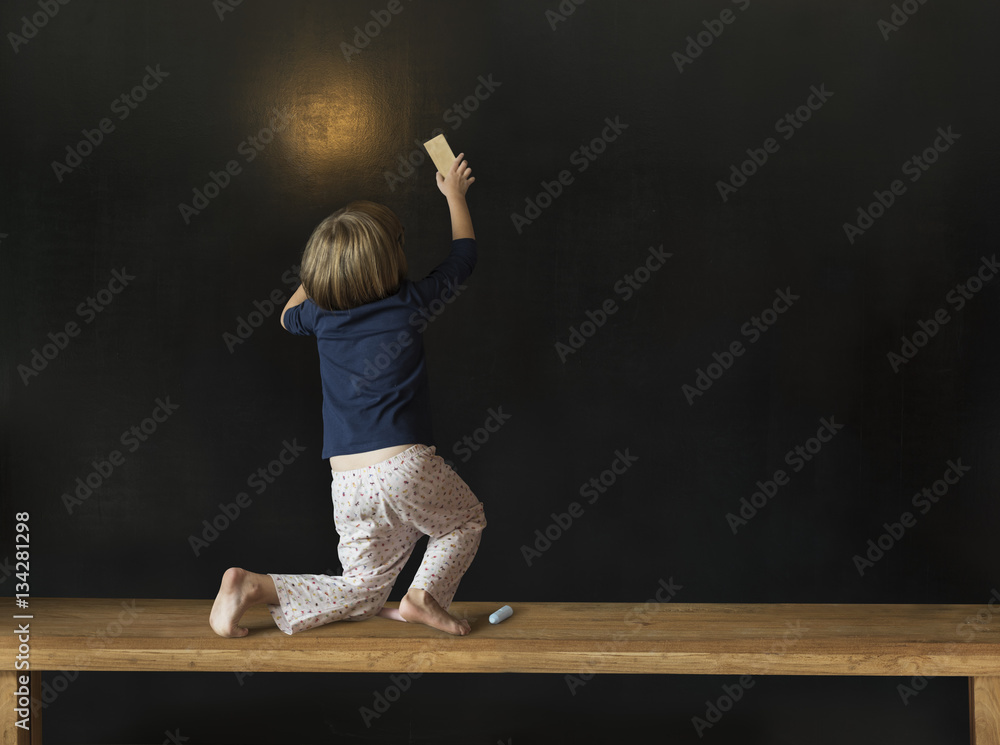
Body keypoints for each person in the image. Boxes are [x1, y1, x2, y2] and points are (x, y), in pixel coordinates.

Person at [210, 154, 486, 638]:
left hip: (347, 479)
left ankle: (251, 586)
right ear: (391, 259)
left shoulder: (317, 315)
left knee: (362, 590)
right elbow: (463, 258)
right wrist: (454, 197)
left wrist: (321, 275)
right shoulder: (409, 303)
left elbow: (283, 315)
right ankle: (424, 597)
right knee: (464, 521)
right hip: (405, 465)